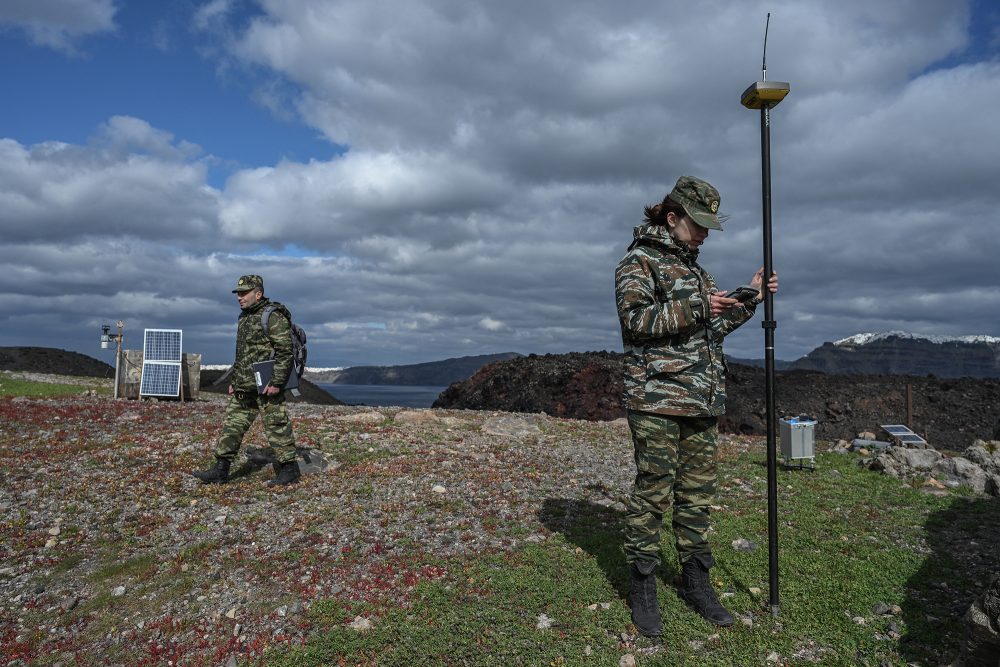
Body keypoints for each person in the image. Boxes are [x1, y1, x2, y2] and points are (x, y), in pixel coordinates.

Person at [614, 175, 778, 635]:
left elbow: (708, 330)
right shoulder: (638, 262)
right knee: (653, 493)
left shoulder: (695, 271)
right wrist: (701, 305)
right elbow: (636, 322)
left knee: (698, 496)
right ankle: (643, 584)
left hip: (701, 400)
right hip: (657, 399)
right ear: (672, 217)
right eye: (698, 224)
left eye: (709, 225)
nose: (705, 233)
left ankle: (695, 581)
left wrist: (749, 300)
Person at [193, 274, 301, 487]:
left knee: (276, 426)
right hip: (245, 385)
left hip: (267, 385)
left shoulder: (273, 316)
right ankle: (220, 470)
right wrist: (235, 380)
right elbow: (242, 354)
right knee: (232, 426)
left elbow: (285, 352)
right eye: (238, 293)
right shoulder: (244, 317)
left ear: (258, 293)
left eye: (244, 293)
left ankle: (290, 470)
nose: (239, 297)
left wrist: (277, 383)